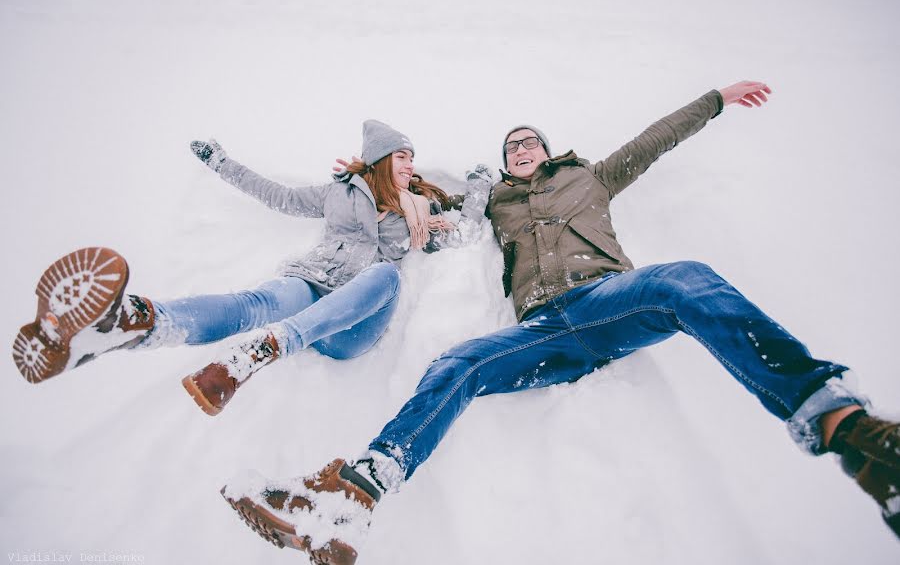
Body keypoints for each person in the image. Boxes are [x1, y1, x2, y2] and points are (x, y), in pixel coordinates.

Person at [219, 82, 900, 565]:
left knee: (682, 278)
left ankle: (842, 423)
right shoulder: (493, 203)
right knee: (456, 364)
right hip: (544, 329)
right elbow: (414, 196)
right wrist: (363, 178)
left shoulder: (594, 178)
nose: (519, 149)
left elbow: (656, 138)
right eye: (510, 145)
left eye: (528, 142)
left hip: (612, 302)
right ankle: (357, 492)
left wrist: (717, 99)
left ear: (549, 149)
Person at [12, 120, 492, 415]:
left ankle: (269, 347)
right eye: (401, 156)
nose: (410, 164)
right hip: (311, 284)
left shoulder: (420, 212)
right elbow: (276, 196)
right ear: (378, 161)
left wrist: (478, 187)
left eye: (413, 158)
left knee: (385, 275)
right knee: (260, 301)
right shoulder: (337, 193)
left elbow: (467, 229)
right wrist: (222, 163)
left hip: (352, 327)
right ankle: (135, 323)